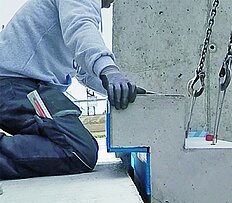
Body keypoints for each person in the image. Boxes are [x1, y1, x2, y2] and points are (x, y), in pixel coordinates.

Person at [0, 0, 139, 180]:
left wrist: (119, 87)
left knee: (75, 147)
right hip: (16, 85)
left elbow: (83, 71)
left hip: (23, 87)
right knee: (78, 150)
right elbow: (80, 28)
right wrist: (108, 70)